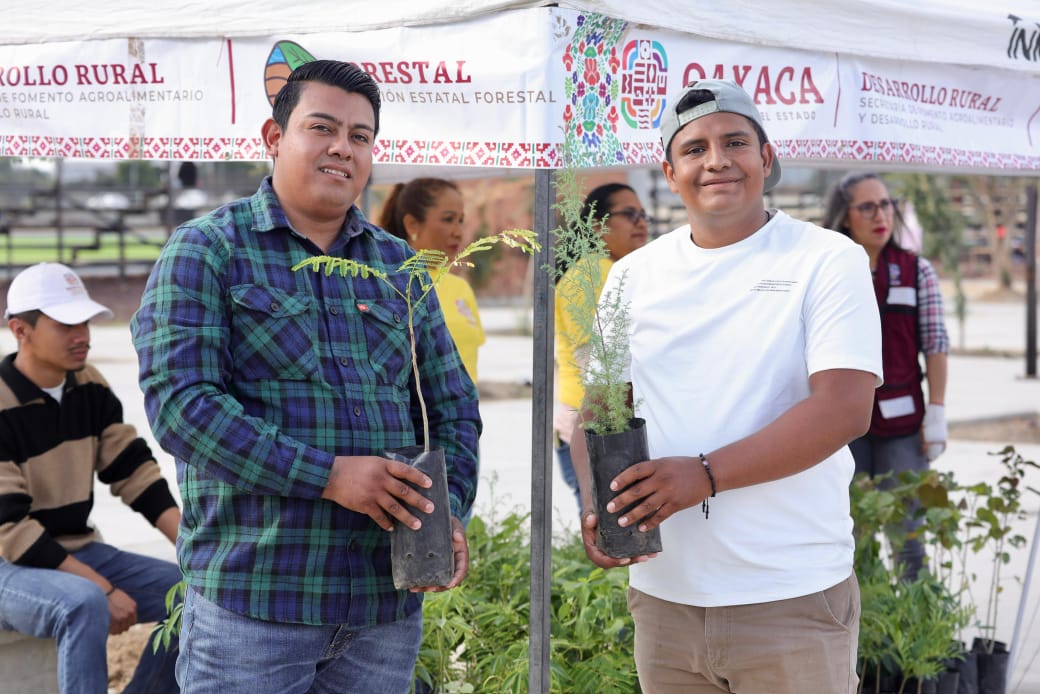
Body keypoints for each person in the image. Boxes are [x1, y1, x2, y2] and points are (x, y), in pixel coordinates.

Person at [131, 60, 480, 694]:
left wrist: (445, 512)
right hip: (255, 606)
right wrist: (329, 476)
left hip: (382, 607)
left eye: (361, 135)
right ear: (273, 137)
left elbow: (452, 404)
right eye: (322, 127)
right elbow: (183, 406)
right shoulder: (208, 249)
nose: (343, 147)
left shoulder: (398, 266)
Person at [568, 79, 883, 693]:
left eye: (735, 142)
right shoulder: (631, 276)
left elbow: (844, 408)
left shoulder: (826, 259)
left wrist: (704, 473)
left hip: (788, 593)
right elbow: (601, 410)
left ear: (765, 159)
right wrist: (596, 504)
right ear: (670, 170)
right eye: (695, 149)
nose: (716, 160)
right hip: (665, 598)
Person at [0, 262, 182, 694]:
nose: (81, 334)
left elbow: (133, 471)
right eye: (65, 324)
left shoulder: (88, 384)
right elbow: (10, 528)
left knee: (190, 595)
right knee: (84, 604)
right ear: (19, 330)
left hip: (76, 551)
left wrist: (195, 549)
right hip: (9, 564)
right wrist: (101, 587)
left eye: (84, 320)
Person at [822, 172, 950, 579]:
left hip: (903, 425)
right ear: (845, 217)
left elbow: (935, 344)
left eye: (886, 204)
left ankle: (921, 628)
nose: (881, 215)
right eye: (868, 206)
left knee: (907, 535)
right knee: (851, 533)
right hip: (843, 426)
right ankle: (868, 631)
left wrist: (938, 412)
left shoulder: (916, 271)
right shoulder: (831, 271)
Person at [553, 183, 649, 509]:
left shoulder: (607, 270)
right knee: (612, 530)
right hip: (602, 430)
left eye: (643, 214)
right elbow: (592, 360)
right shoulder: (597, 271)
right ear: (598, 225)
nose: (641, 223)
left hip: (595, 425)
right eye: (629, 214)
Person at [379, 177, 484, 384]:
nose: (458, 232)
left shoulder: (460, 287)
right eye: (448, 219)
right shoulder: (390, 284)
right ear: (411, 224)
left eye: (460, 220)